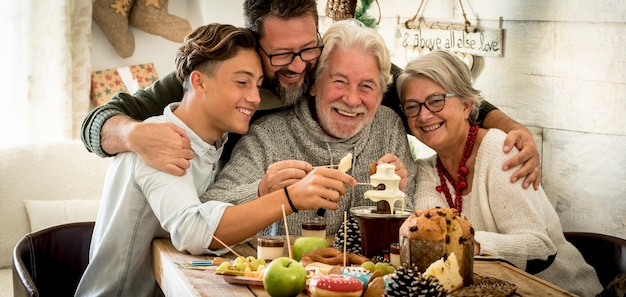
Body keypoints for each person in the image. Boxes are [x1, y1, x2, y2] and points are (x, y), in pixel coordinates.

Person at [80, 0, 542, 190]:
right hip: (211, 200)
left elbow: (429, 93)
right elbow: (99, 120)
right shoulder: (220, 71)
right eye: (282, 55)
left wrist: (511, 127)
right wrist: (135, 136)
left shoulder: (332, 63)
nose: (300, 65)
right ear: (254, 41)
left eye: (308, 48)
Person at [74, 23, 356, 297]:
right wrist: (290, 198)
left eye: (257, 85)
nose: (255, 97)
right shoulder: (162, 142)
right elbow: (193, 230)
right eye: (242, 82)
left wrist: (262, 190)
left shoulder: (214, 144)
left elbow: (209, 210)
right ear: (199, 81)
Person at [396, 50, 602, 297]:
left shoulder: (501, 151)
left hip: (562, 291)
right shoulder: (428, 171)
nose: (424, 115)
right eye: (412, 106)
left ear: (467, 106)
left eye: (436, 100)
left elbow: (540, 247)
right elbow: (430, 242)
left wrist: (467, 244)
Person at [200, 19, 412, 238]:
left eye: (367, 86)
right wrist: (261, 190)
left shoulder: (388, 127)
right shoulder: (267, 136)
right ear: (313, 84)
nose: (351, 99)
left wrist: (399, 197)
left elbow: (414, 224)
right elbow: (206, 215)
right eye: (339, 81)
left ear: (381, 95)